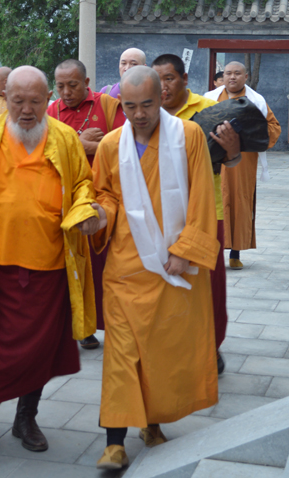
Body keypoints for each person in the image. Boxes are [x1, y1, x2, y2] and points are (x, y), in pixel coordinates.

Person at [0, 66, 99, 462]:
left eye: (35, 102)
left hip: (48, 267)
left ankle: (27, 419)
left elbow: (82, 186)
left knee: (38, 351)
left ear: (49, 101)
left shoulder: (63, 138)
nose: (26, 110)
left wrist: (84, 211)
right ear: (4, 99)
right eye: (18, 101)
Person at [91, 66, 220, 470]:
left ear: (162, 96)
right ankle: (114, 442)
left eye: (147, 104)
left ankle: (152, 422)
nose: (139, 113)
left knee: (162, 351)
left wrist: (186, 249)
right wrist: (98, 216)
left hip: (171, 263)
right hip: (126, 267)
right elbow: (107, 196)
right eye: (130, 106)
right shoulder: (111, 145)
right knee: (121, 354)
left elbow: (201, 195)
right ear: (121, 105)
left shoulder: (189, 136)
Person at [152, 54, 241, 373]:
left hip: (205, 211)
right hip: (159, 213)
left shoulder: (207, 110)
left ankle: (211, 345)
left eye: (169, 79)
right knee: (167, 281)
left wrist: (232, 150)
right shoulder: (147, 113)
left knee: (209, 284)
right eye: (158, 80)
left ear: (185, 79)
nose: (163, 87)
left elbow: (229, 162)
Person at [48, 59, 126, 349]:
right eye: (60, 87)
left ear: (87, 83)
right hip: (68, 202)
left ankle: (114, 323)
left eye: (73, 85)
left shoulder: (106, 105)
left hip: (105, 199)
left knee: (105, 266)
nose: (66, 92)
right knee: (73, 267)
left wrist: (87, 146)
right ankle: (82, 327)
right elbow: (47, 149)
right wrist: (80, 142)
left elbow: (122, 144)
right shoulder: (52, 111)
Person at [204, 61, 281, 269]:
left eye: (237, 73)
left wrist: (248, 134)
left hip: (243, 159)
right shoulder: (209, 98)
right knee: (211, 203)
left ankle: (235, 253)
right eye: (228, 73)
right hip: (214, 159)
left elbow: (273, 127)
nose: (232, 77)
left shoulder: (257, 101)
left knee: (239, 202)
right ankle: (213, 253)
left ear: (245, 77)